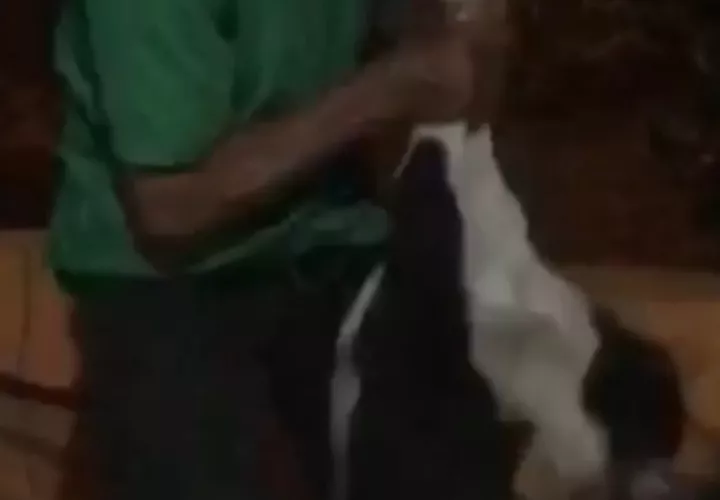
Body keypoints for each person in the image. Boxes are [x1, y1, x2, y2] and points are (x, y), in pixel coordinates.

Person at [49, 1, 496, 499]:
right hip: (167, 278)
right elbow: (169, 208)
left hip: (329, 238)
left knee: (447, 443)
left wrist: (447, 29)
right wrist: (383, 91)